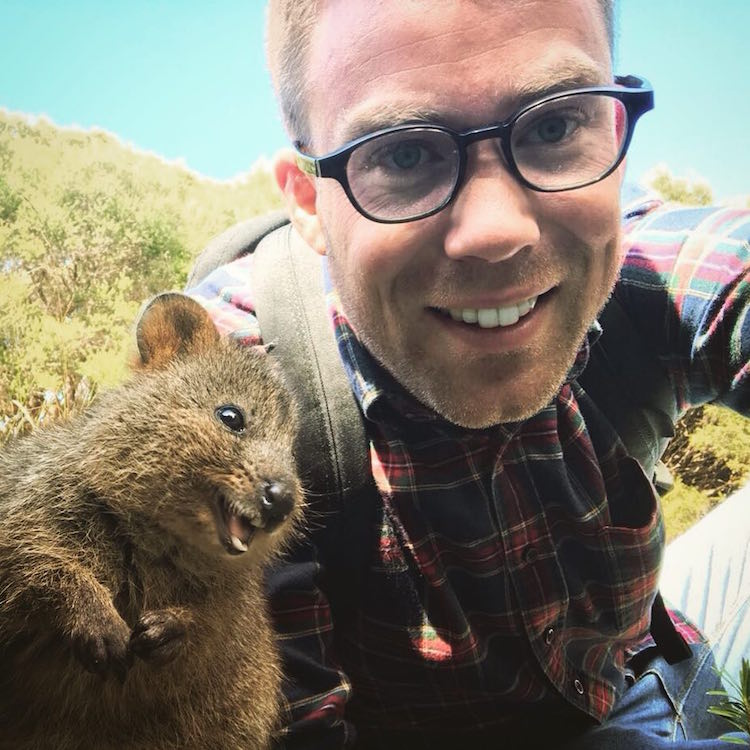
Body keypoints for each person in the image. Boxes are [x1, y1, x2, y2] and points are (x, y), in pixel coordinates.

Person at [188, 1, 750, 747]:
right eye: (403, 154)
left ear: (611, 131)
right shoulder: (235, 400)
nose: (497, 230)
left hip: (659, 653)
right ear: (309, 202)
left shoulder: (637, 272)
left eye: (554, 126)